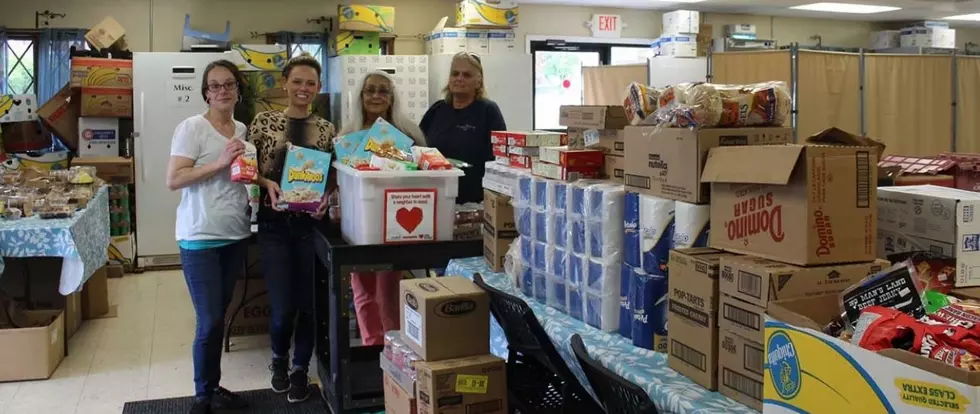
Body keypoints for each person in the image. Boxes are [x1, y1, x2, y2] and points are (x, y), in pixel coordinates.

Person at [165, 59, 251, 414]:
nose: (222, 91)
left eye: (228, 84)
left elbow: (239, 174)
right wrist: (219, 162)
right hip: (199, 237)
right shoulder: (191, 128)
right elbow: (174, 179)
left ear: (238, 90)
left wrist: (262, 184)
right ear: (205, 92)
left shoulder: (241, 129)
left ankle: (214, 386)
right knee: (210, 319)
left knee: (220, 312)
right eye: (214, 86)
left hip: (234, 234)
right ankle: (202, 396)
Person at [248, 54, 335, 404]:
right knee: (283, 306)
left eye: (310, 83)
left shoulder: (327, 129)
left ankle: (301, 367)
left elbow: (332, 176)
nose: (303, 88)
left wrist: (328, 196)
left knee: (309, 304)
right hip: (273, 226)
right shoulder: (263, 122)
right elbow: (246, 168)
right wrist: (265, 182)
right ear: (284, 82)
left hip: (312, 228)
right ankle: (279, 359)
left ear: (318, 87)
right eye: (297, 81)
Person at [339, 71, 426, 346]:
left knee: (389, 290)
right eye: (370, 90)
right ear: (361, 96)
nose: (376, 96)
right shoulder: (347, 136)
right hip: (359, 225)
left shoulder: (409, 133)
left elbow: (425, 173)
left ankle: (394, 347)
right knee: (362, 290)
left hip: (397, 222)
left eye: (383, 91)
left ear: (392, 98)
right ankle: (370, 345)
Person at [420, 52, 506, 204]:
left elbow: (500, 157)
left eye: (466, 75)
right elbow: (419, 147)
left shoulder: (488, 111)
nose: (459, 78)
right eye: (455, 74)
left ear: (478, 82)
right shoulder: (437, 109)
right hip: (436, 197)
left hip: (474, 200)